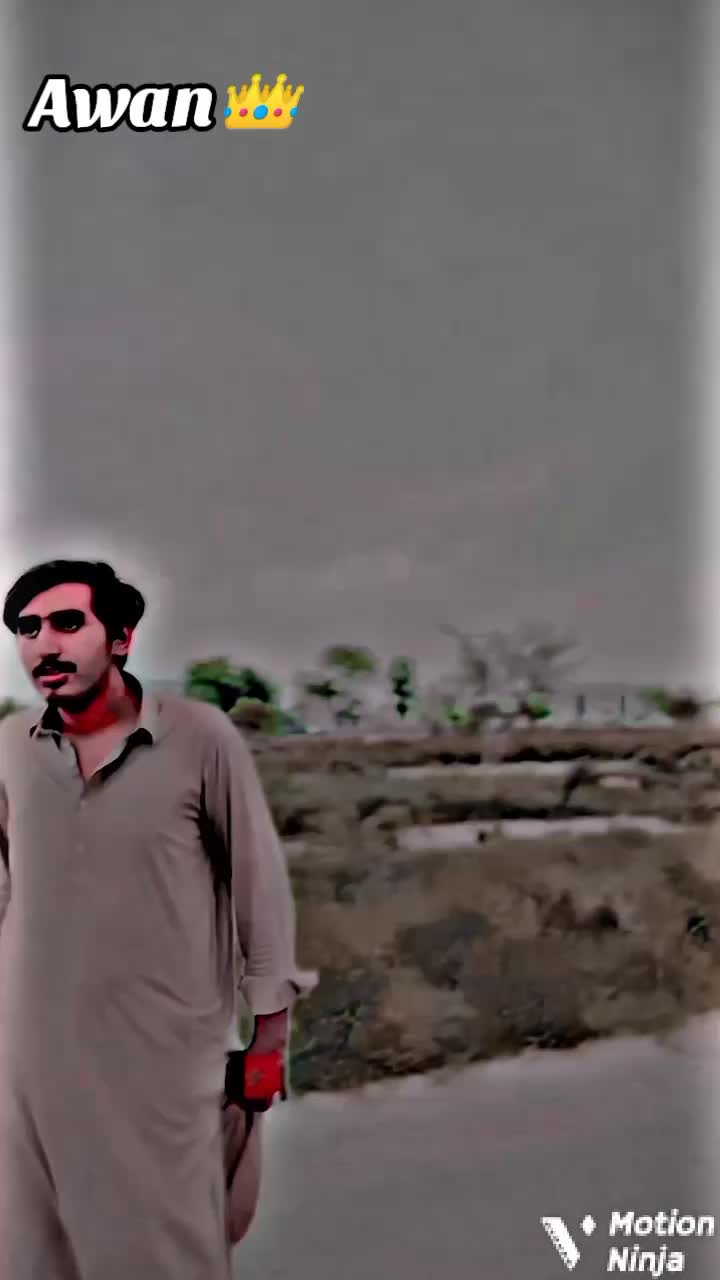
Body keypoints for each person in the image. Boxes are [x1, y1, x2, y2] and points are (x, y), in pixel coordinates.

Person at [0, 558, 315, 1280]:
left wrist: (269, 1043)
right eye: (28, 629)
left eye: (67, 623)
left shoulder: (199, 739)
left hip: (166, 1064)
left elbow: (258, 891)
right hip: (30, 1063)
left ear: (121, 638)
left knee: (165, 1254)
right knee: (33, 1255)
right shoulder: (10, 750)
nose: (45, 645)